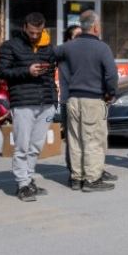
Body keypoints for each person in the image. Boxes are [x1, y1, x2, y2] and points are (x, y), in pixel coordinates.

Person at [55, 11, 118, 192]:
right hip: (93, 99)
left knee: (75, 140)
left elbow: (51, 54)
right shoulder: (102, 48)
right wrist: (110, 93)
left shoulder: (68, 47)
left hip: (73, 99)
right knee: (93, 140)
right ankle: (92, 180)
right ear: (95, 27)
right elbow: (111, 75)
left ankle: (76, 178)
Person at [0, 12, 58, 201]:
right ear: (24, 27)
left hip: (46, 103)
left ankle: (29, 178)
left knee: (36, 145)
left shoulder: (48, 47)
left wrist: (54, 100)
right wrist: (27, 71)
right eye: (31, 32)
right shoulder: (10, 46)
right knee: (22, 146)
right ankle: (22, 184)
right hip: (23, 102)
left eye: (38, 32)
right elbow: (3, 72)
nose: (34, 36)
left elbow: (52, 72)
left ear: (43, 29)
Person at [59, 24, 81, 165]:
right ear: (68, 40)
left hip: (83, 100)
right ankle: (73, 171)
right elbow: (73, 79)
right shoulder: (65, 55)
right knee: (73, 138)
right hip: (69, 101)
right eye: (77, 36)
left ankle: (92, 170)